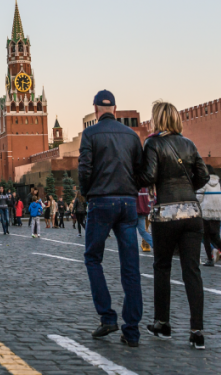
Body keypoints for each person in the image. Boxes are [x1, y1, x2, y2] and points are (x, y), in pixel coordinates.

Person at [138, 100, 210, 350]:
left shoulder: (153, 143)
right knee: (192, 271)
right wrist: (187, 190)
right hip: (192, 212)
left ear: (157, 119)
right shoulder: (189, 143)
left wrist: (136, 177)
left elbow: (148, 176)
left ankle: (163, 324)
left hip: (166, 214)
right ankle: (197, 331)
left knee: (162, 268)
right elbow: (203, 175)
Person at [77, 89, 143, 348]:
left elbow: (84, 169)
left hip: (101, 201)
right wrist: (130, 190)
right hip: (127, 204)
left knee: (93, 258)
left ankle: (107, 317)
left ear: (95, 109)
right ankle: (132, 331)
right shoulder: (131, 135)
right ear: (115, 109)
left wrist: (87, 192)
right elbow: (141, 170)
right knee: (131, 267)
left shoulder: (90, 134)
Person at [196, 167, 221, 266]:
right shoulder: (218, 183)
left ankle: (210, 259)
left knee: (206, 237)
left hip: (205, 212)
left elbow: (198, 198)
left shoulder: (203, 182)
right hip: (217, 212)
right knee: (215, 236)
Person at [136, 187, 153, 252]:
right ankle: (154, 245)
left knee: (131, 230)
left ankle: (131, 248)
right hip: (144, 210)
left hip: (135, 209)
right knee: (143, 231)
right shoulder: (146, 186)